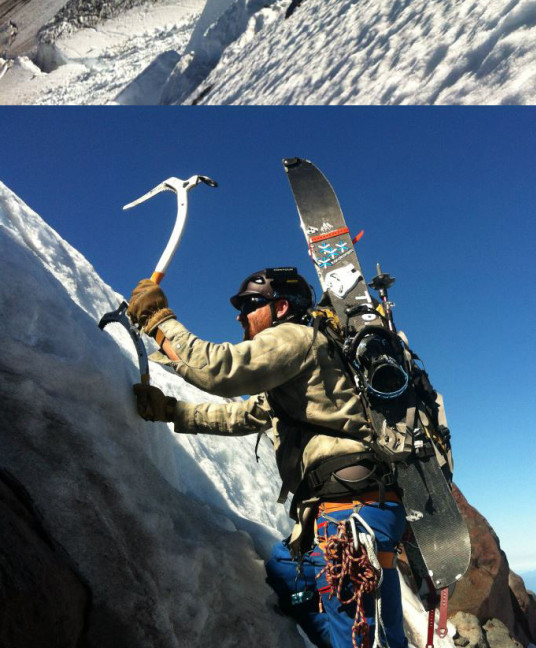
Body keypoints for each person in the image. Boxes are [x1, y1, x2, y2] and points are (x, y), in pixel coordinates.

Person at [127, 267, 410, 648]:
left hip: (349, 516)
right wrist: (172, 411)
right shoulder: (296, 375)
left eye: (250, 304)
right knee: (283, 570)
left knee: (364, 639)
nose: (240, 315)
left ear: (280, 307)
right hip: (343, 514)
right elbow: (243, 415)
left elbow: (218, 370)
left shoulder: (294, 337)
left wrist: (158, 320)